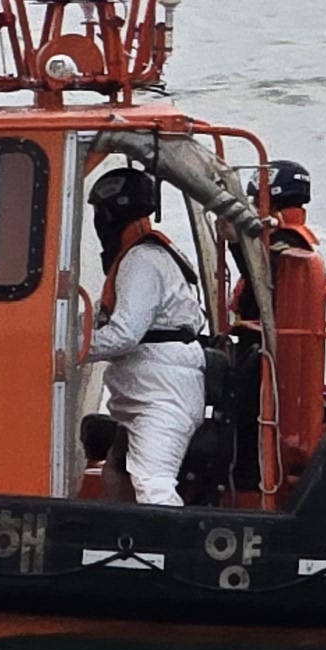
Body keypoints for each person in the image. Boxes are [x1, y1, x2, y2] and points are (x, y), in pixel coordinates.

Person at [82, 165, 210, 506]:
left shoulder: (142, 260)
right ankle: (118, 542)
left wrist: (72, 348)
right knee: (117, 472)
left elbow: (124, 335)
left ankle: (174, 554)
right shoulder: (142, 257)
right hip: (147, 387)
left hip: (163, 391)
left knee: (153, 483)